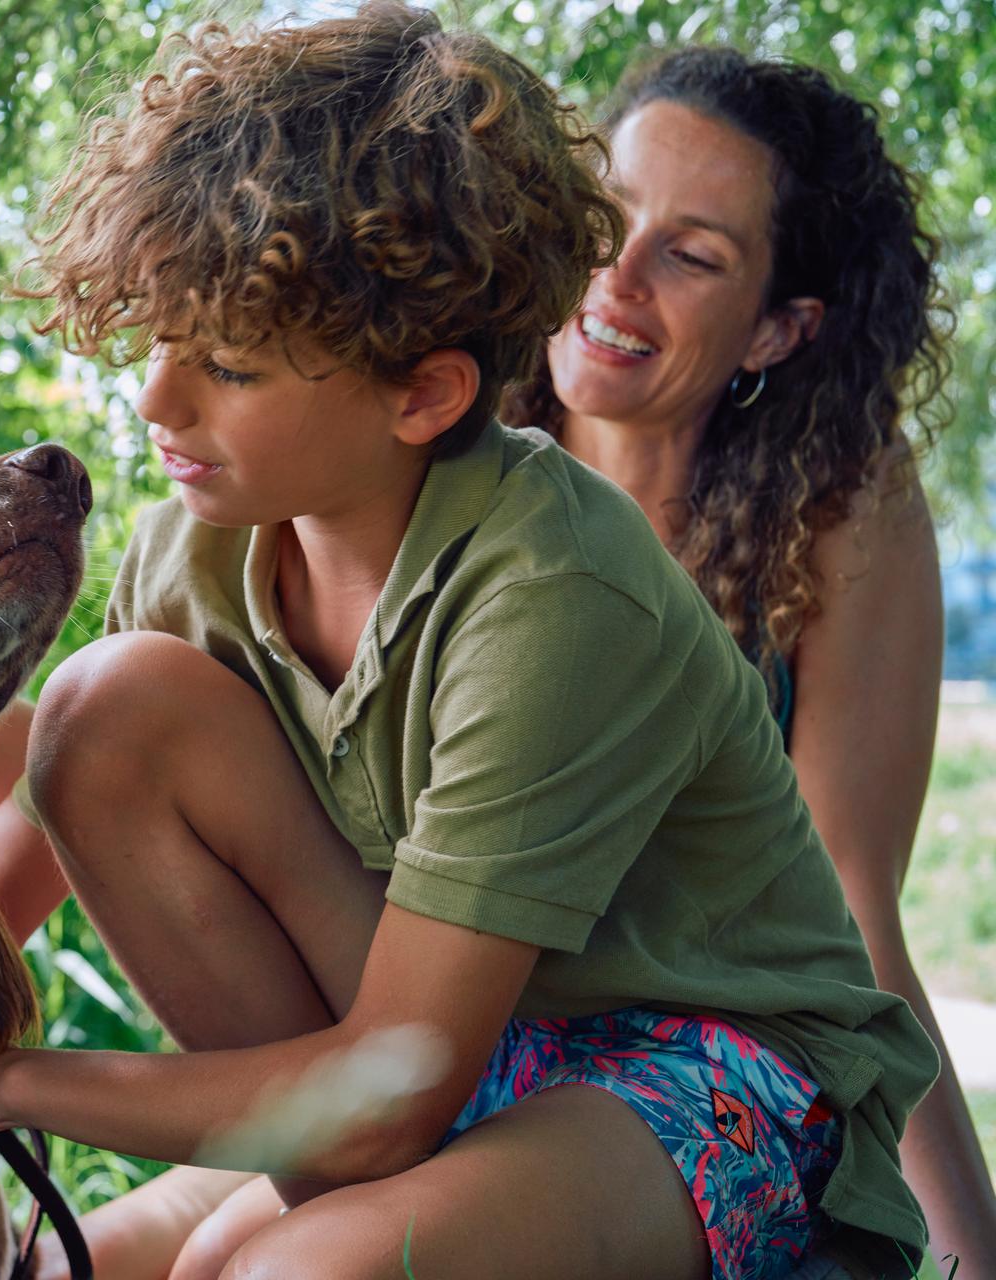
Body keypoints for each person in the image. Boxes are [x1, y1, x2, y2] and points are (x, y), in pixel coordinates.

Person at [0, 10, 941, 1278]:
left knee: (286, 1270)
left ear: (425, 393)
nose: (154, 399)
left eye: (233, 369)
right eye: (159, 337)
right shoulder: (197, 553)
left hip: (717, 1075)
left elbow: (391, 1086)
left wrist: (4, 1085)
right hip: (467, 1052)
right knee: (107, 705)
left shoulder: (557, 587)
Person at [499, 46, 993, 1274]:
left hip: (726, 1083)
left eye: (693, 253)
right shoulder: (446, 441)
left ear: (779, 329)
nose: (615, 276)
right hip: (463, 1049)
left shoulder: (841, 505)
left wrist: (973, 1253)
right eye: (610, 216)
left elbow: (849, 904)